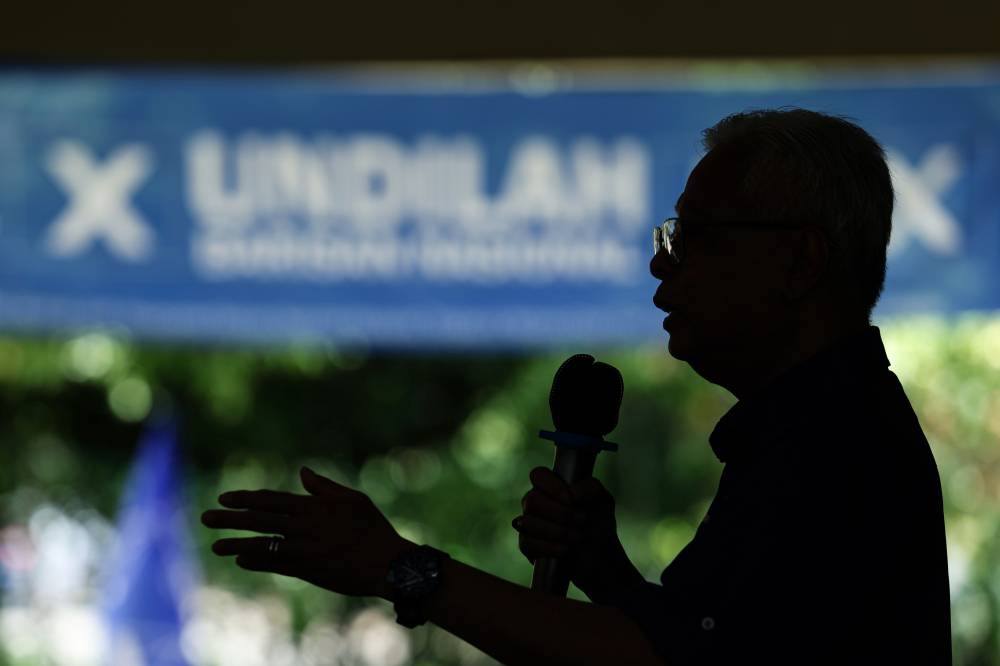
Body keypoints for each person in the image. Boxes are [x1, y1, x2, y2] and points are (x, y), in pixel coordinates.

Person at [201, 108, 952, 665]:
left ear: (800, 262)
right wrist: (609, 576)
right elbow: (705, 647)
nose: (662, 266)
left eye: (694, 239)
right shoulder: (812, 431)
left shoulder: (837, 447)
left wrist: (401, 569)